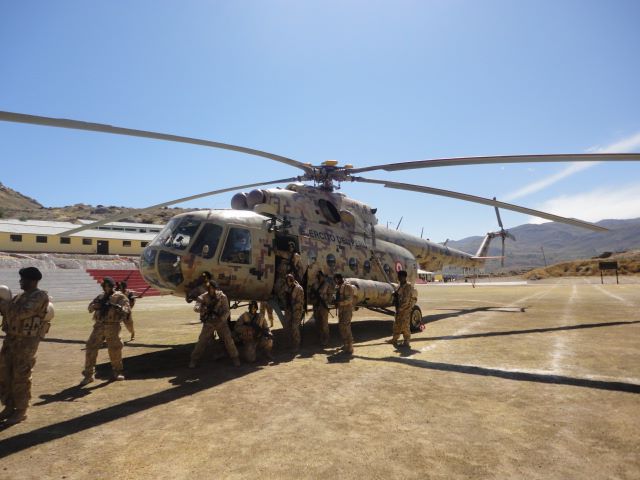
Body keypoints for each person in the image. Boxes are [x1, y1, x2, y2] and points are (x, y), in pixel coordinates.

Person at [0, 267, 52, 425]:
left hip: (27, 342)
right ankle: (9, 406)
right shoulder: (18, 297)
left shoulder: (40, 296)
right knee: (5, 373)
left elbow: (21, 313)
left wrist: (4, 304)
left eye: (24, 279)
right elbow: (9, 314)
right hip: (11, 339)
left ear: (33, 281)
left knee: (21, 375)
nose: (20, 281)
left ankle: (21, 410)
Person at [81, 277, 131, 385]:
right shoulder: (100, 297)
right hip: (99, 326)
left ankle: (117, 372)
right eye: (104, 285)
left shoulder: (120, 297)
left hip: (112, 326)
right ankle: (88, 375)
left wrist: (117, 307)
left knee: (115, 349)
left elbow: (127, 311)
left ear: (112, 286)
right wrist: (95, 306)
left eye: (107, 285)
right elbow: (90, 308)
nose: (105, 287)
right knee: (90, 347)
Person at [190, 281, 240, 368]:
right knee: (201, 342)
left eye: (212, 288)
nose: (211, 290)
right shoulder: (203, 296)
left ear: (216, 288)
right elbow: (196, 307)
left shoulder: (222, 297)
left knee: (229, 341)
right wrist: (202, 308)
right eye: (209, 288)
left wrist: (221, 319)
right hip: (209, 323)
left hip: (221, 323)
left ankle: (235, 357)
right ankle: (194, 360)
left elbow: (227, 311)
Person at [387, 270, 415, 348]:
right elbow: (398, 295)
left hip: (405, 309)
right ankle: (394, 339)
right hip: (399, 308)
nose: (398, 278)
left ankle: (406, 341)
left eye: (400, 277)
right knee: (397, 325)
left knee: (405, 326)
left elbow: (406, 300)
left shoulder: (408, 286)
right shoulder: (400, 285)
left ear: (404, 277)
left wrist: (400, 308)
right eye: (398, 277)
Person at [274, 242, 304, 307]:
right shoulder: (286, 254)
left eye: (292, 247)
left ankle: (287, 304)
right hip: (282, 276)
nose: (291, 248)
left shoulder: (296, 256)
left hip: (290, 277)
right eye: (289, 247)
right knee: (277, 288)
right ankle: (285, 303)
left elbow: (300, 268)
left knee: (287, 291)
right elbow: (278, 252)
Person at [334, 273, 355, 354]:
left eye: (336, 279)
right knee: (341, 327)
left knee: (346, 327)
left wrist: (340, 302)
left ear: (339, 278)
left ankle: (350, 347)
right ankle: (345, 344)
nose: (336, 282)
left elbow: (350, 299)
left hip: (347, 310)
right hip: (341, 310)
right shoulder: (338, 286)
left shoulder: (348, 286)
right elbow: (337, 296)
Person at [309, 270, 332, 346]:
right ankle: (320, 338)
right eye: (317, 275)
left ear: (323, 276)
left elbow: (330, 295)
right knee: (318, 323)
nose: (319, 277)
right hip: (316, 306)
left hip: (323, 306)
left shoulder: (326, 284)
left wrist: (326, 302)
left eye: (320, 275)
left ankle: (326, 339)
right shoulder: (314, 284)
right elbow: (311, 294)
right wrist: (313, 299)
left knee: (324, 323)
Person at [284, 273, 305, 352]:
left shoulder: (298, 288)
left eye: (288, 281)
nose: (287, 282)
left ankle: (296, 345)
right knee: (287, 326)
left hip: (296, 310)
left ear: (292, 280)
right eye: (287, 281)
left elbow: (300, 302)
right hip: (289, 310)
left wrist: (293, 307)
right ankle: (289, 344)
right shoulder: (287, 287)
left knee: (294, 327)